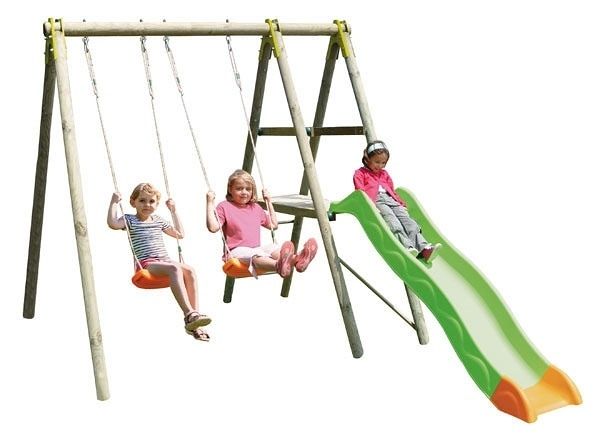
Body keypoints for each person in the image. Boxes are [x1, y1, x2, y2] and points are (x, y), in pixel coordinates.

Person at [107, 182, 211, 341]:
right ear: (133, 202)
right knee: (174, 268)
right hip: (147, 265)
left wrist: (173, 211)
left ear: (156, 204)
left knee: (189, 270)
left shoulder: (158, 220)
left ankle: (195, 319)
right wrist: (114, 202)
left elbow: (179, 234)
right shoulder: (129, 220)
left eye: (151, 201)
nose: (147, 205)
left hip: (165, 262)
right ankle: (189, 313)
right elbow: (113, 224)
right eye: (142, 201)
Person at [206, 169, 318, 278]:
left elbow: (273, 225)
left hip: (256, 248)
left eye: (248, 189)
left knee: (273, 248)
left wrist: (269, 202)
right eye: (239, 188)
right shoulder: (224, 206)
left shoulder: (255, 208)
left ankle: (299, 260)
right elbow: (213, 227)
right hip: (236, 251)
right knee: (255, 256)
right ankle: (277, 265)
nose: (244, 192)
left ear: (252, 191)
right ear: (230, 189)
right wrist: (209, 202)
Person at [353, 140, 442, 263]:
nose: (380, 165)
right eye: (377, 162)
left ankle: (424, 248)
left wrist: (400, 203)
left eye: (383, 163)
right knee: (393, 222)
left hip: (391, 200)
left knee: (409, 222)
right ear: (367, 159)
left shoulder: (384, 174)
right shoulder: (360, 173)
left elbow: (392, 191)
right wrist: (369, 205)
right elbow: (360, 191)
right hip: (377, 201)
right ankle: (407, 247)